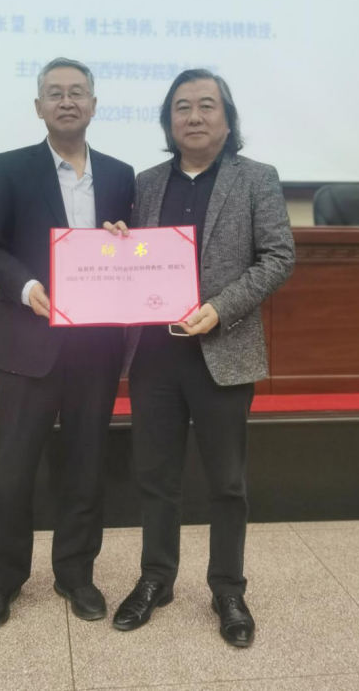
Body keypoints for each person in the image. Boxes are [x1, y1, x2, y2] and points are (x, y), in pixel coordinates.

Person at [104, 69, 295, 647]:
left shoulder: (256, 178)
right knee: (155, 475)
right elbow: (135, 256)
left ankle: (228, 588)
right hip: (155, 354)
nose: (194, 116)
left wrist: (219, 308)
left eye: (207, 105)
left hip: (222, 349)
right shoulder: (147, 183)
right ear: (168, 121)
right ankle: (156, 579)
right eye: (182, 106)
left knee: (227, 482)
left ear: (227, 119)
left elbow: (278, 256)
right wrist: (118, 242)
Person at [0, 57, 134, 630]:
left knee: (86, 466)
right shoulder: (10, 168)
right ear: (38, 106)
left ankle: (76, 574)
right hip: (28, 341)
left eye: (77, 92)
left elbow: (132, 252)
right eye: (55, 92)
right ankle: (2, 583)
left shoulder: (120, 174)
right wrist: (26, 287)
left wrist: (126, 240)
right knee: (11, 471)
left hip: (96, 346)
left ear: (94, 104)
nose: (67, 101)